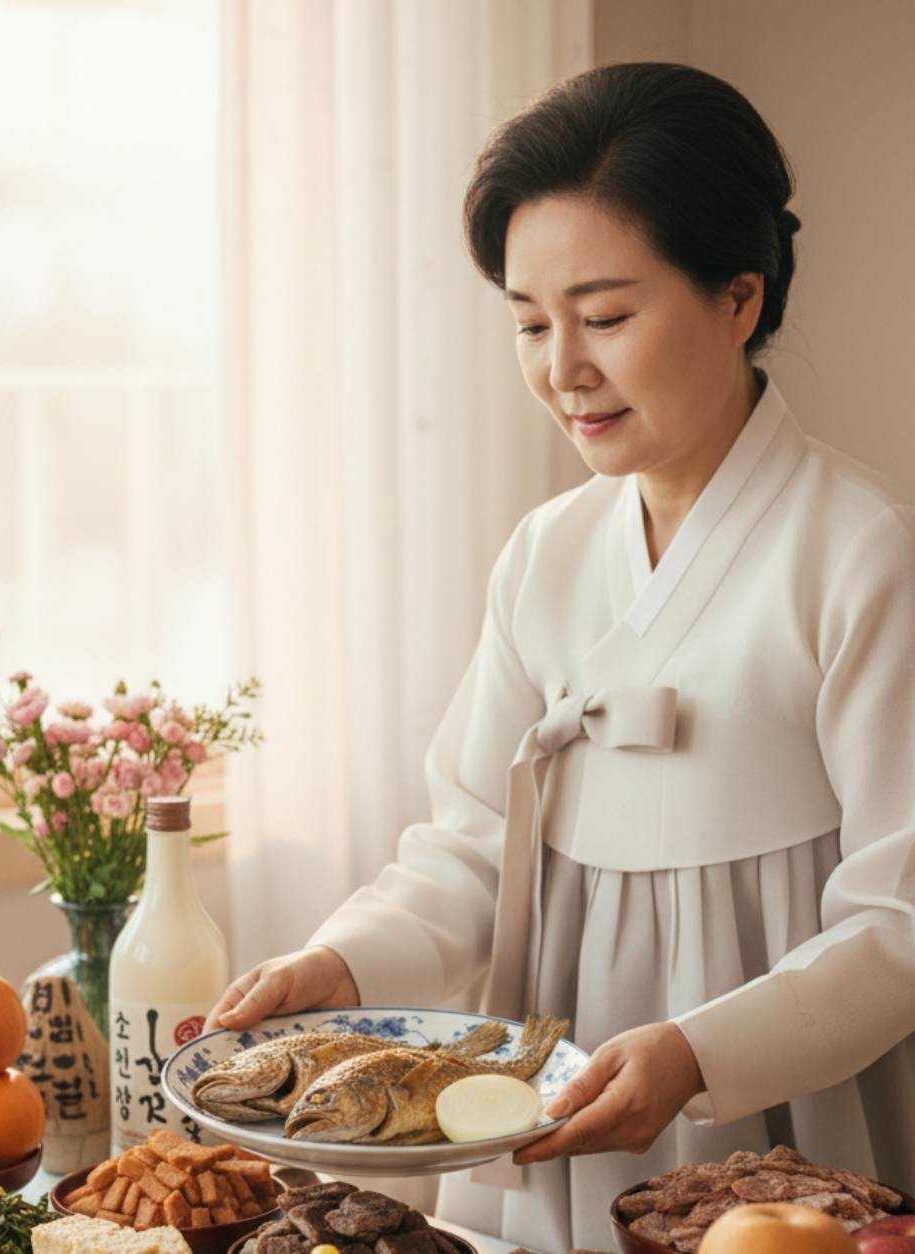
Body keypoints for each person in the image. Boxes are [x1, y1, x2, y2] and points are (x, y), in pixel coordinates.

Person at [204, 62, 915, 1250]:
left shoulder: (859, 554)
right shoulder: (548, 553)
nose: (562, 367)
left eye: (608, 316)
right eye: (531, 323)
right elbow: (473, 845)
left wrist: (696, 1055)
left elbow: (902, 913)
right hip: (542, 1101)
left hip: (774, 1120)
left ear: (739, 298)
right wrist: (341, 962)